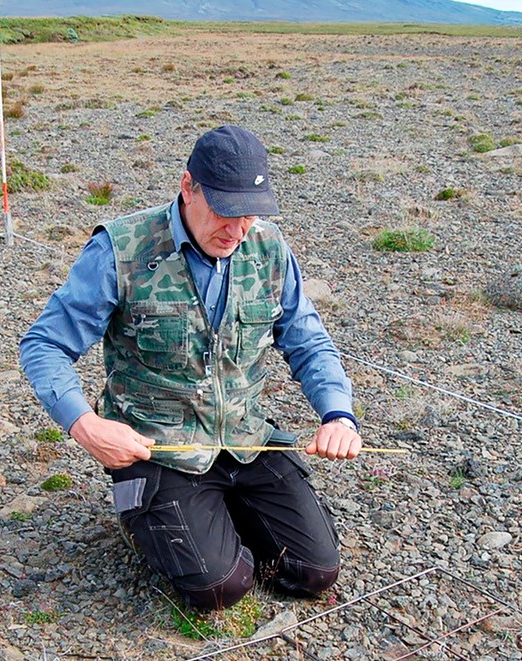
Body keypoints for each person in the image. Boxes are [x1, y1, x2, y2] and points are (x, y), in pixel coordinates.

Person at [20, 125, 361, 611]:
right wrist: (86, 425)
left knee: (314, 571)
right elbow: (45, 344)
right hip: (160, 449)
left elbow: (307, 339)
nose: (238, 229)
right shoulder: (121, 249)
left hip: (245, 438)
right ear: (188, 187)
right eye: (224, 210)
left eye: (250, 214)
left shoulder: (267, 248)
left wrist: (338, 415)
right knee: (220, 588)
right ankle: (146, 512)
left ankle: (218, 515)